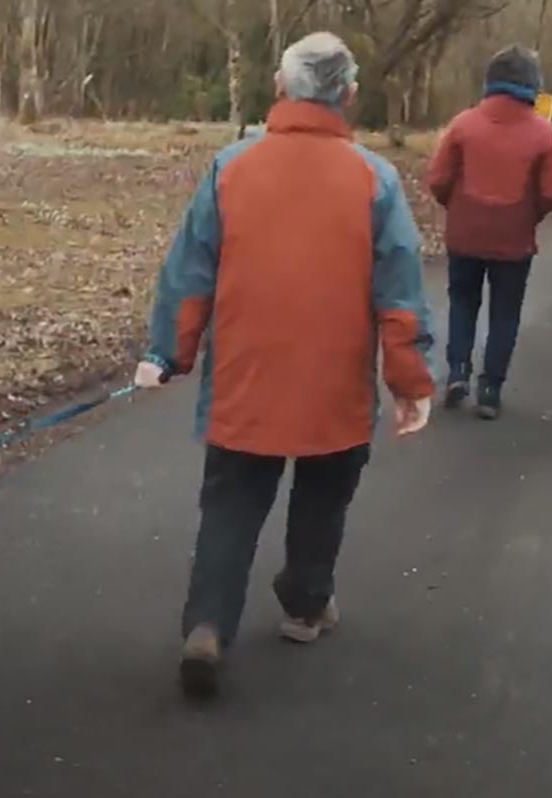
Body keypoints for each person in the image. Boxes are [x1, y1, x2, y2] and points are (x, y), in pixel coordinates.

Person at [133, 31, 435, 698]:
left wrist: (168, 353)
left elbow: (190, 273)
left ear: (279, 87)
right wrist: (409, 380)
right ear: (349, 96)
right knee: (324, 494)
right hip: (336, 377)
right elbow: (399, 288)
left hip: (247, 371)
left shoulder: (231, 168)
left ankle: (208, 624)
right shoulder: (375, 180)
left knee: (232, 501)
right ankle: (305, 603)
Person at [425, 45, 552, 420]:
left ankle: (457, 371)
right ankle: (491, 389)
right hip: (514, 237)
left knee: (462, 302)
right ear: (532, 84)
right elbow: (551, 194)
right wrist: (528, 214)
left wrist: (457, 206)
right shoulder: (543, 134)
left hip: (465, 231)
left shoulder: (463, 124)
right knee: (505, 312)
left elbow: (438, 179)